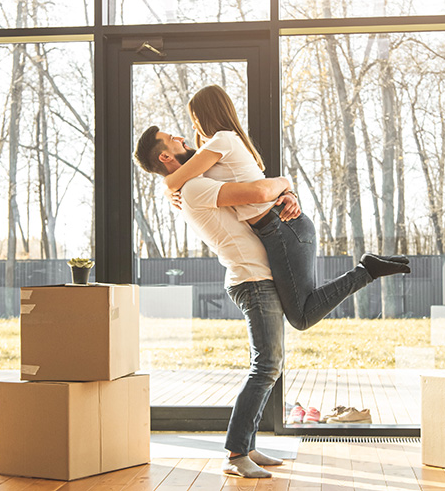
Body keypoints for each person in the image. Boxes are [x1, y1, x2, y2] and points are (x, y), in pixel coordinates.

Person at [163, 84, 411, 330]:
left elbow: (175, 179)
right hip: (278, 229)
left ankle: (366, 270)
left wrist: (169, 189)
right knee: (302, 311)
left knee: (301, 316)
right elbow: (185, 176)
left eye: (195, 119)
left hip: (283, 227)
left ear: (209, 114)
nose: (193, 126)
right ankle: (367, 269)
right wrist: (171, 193)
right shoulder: (221, 146)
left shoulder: (222, 140)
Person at [135, 126, 299, 478]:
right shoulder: (193, 186)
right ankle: (237, 454)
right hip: (251, 278)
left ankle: (248, 445)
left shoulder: (192, 183)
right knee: (266, 366)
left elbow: (251, 193)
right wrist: (284, 181)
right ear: (165, 156)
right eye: (174, 138)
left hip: (255, 276)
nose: (182, 137)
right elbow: (256, 189)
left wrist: (287, 194)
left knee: (269, 365)